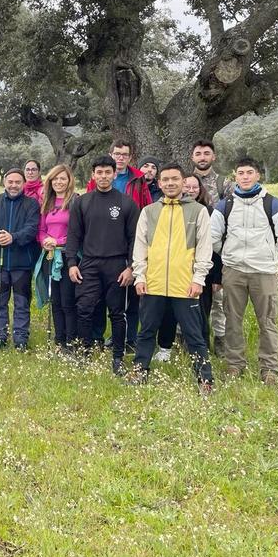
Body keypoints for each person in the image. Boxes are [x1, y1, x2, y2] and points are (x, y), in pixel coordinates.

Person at [211, 156, 278, 384]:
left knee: (267, 321)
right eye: (241, 173)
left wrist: (270, 253)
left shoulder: (272, 203)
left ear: (258, 175)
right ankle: (234, 364)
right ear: (235, 176)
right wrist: (228, 253)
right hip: (234, 272)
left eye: (250, 172)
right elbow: (212, 237)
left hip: (264, 272)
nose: (245, 177)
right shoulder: (225, 204)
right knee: (232, 320)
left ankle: (269, 369)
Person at [129, 163, 215, 393]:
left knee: (194, 334)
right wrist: (139, 276)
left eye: (174, 179)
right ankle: (139, 371)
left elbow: (205, 249)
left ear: (183, 182)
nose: (169, 183)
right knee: (146, 331)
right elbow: (139, 246)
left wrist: (199, 279)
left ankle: (205, 380)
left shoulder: (198, 211)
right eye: (165, 180)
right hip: (153, 283)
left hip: (185, 285)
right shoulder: (149, 211)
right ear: (159, 183)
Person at [67, 155, 140, 374]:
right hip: (89, 263)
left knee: (117, 313)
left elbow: (134, 239)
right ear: (93, 175)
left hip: (117, 265)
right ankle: (85, 352)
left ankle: (117, 357)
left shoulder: (126, 203)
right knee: (84, 309)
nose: (103, 176)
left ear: (114, 174)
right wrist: (72, 263)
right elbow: (73, 236)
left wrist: (131, 267)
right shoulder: (82, 202)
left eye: (108, 172)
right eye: (99, 172)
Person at [85, 139, 153, 353]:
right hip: (101, 248)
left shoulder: (138, 180)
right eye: (117, 153)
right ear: (111, 154)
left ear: (130, 157)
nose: (120, 157)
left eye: (124, 154)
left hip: (130, 244)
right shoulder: (97, 179)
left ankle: (128, 339)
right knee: (99, 300)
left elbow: (147, 210)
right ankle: (97, 337)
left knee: (129, 299)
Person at [0, 167, 40, 351]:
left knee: (22, 302)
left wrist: (13, 237)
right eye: (10, 182)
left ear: (23, 184)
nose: (14, 185)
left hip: (21, 263)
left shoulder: (31, 204)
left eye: (18, 182)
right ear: (5, 182)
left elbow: (32, 228)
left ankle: (20, 337)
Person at [191, 139, 232, 354]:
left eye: (207, 153)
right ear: (193, 157)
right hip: (190, 251)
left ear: (213, 157)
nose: (202, 157)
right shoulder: (186, 181)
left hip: (218, 250)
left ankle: (221, 339)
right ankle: (189, 338)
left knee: (218, 299)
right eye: (198, 154)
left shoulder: (223, 184)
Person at [37, 164, 78, 353]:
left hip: (68, 257)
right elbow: (41, 230)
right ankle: (59, 340)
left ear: (69, 181)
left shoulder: (76, 202)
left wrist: (59, 241)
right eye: (55, 179)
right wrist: (45, 240)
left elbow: (78, 233)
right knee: (55, 300)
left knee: (67, 301)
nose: (59, 182)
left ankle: (71, 341)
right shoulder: (47, 202)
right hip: (50, 257)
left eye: (63, 178)